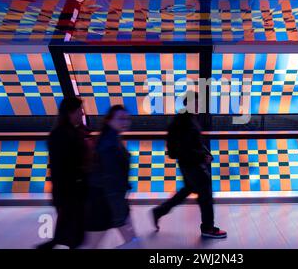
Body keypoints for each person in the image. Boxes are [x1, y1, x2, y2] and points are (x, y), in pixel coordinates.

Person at [152, 91, 227, 239]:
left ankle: (159, 211)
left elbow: (195, 142)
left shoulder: (187, 118)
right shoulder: (184, 121)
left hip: (188, 162)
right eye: (197, 103)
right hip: (191, 163)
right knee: (205, 193)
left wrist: (206, 153)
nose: (199, 106)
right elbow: (185, 147)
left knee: (188, 189)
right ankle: (208, 228)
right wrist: (202, 156)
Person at [37, 97, 90, 249]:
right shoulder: (61, 135)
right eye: (80, 110)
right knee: (74, 233)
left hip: (72, 192)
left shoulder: (71, 132)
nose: (82, 113)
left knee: (67, 232)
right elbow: (61, 168)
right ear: (70, 112)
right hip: (70, 192)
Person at [83, 105, 136, 248]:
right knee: (131, 243)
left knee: (132, 242)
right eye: (120, 119)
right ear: (109, 120)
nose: (124, 122)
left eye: (126, 119)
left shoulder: (110, 139)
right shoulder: (109, 144)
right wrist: (119, 213)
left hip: (105, 200)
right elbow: (110, 179)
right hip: (104, 203)